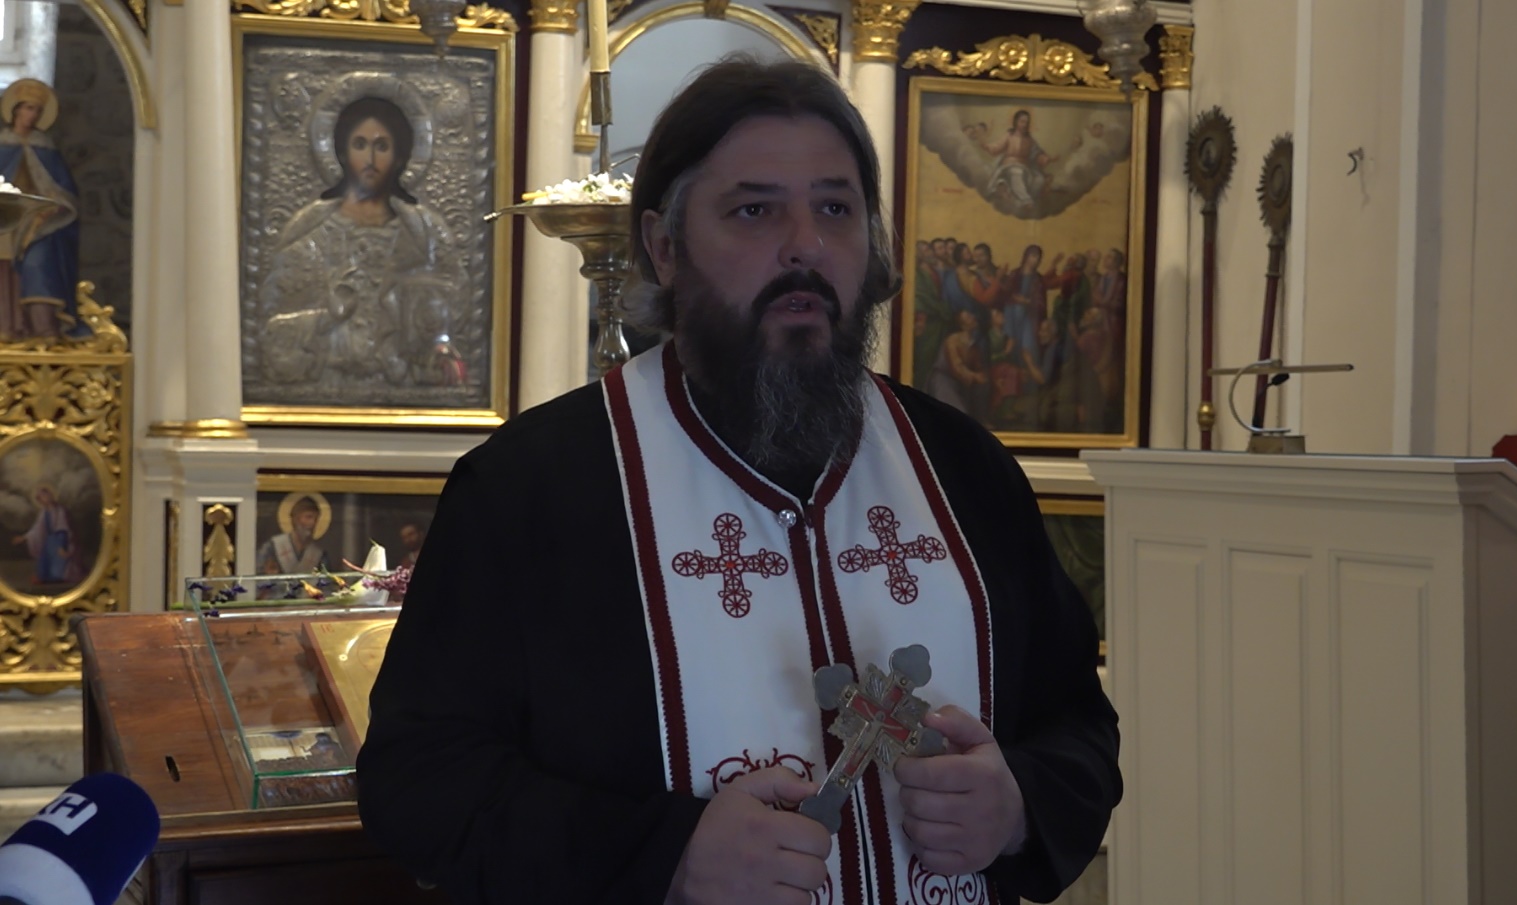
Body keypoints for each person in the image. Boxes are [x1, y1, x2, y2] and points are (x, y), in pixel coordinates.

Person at [357, 57, 1119, 905]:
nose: (805, 244)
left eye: (835, 208)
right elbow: (418, 779)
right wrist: (667, 856)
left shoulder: (962, 468)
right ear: (664, 247)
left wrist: (1016, 806)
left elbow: (1076, 724)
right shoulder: (530, 487)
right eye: (754, 210)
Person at [258, 95, 466, 391]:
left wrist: (434, 346)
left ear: (399, 157)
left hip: (405, 387)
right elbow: (272, 323)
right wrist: (327, 318)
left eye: (381, 146)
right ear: (342, 152)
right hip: (326, 387)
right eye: (360, 144)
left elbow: (453, 311)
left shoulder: (425, 233)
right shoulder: (309, 232)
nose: (370, 159)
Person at [0, 78, 87, 341]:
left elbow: (64, 191)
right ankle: (7, 326)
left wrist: (54, 206)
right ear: (15, 109)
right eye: (28, 108)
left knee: (40, 263)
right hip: (5, 218)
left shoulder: (46, 150)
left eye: (37, 110)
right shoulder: (2, 146)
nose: (32, 115)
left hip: (37, 222)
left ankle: (42, 328)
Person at [12, 485, 84, 585]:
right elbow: (37, 529)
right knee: (44, 564)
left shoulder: (60, 510)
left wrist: (62, 546)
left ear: (51, 496)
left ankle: (59, 577)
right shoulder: (44, 512)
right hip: (49, 542)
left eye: (44, 496)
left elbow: (63, 528)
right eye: (40, 498)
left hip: (60, 540)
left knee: (59, 567)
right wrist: (24, 537)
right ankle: (45, 577)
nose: (42, 499)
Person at [256, 495, 328, 584]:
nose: (312, 523)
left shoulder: (319, 555)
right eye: (308, 517)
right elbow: (257, 577)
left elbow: (327, 583)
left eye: (316, 519)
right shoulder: (272, 547)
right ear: (295, 519)